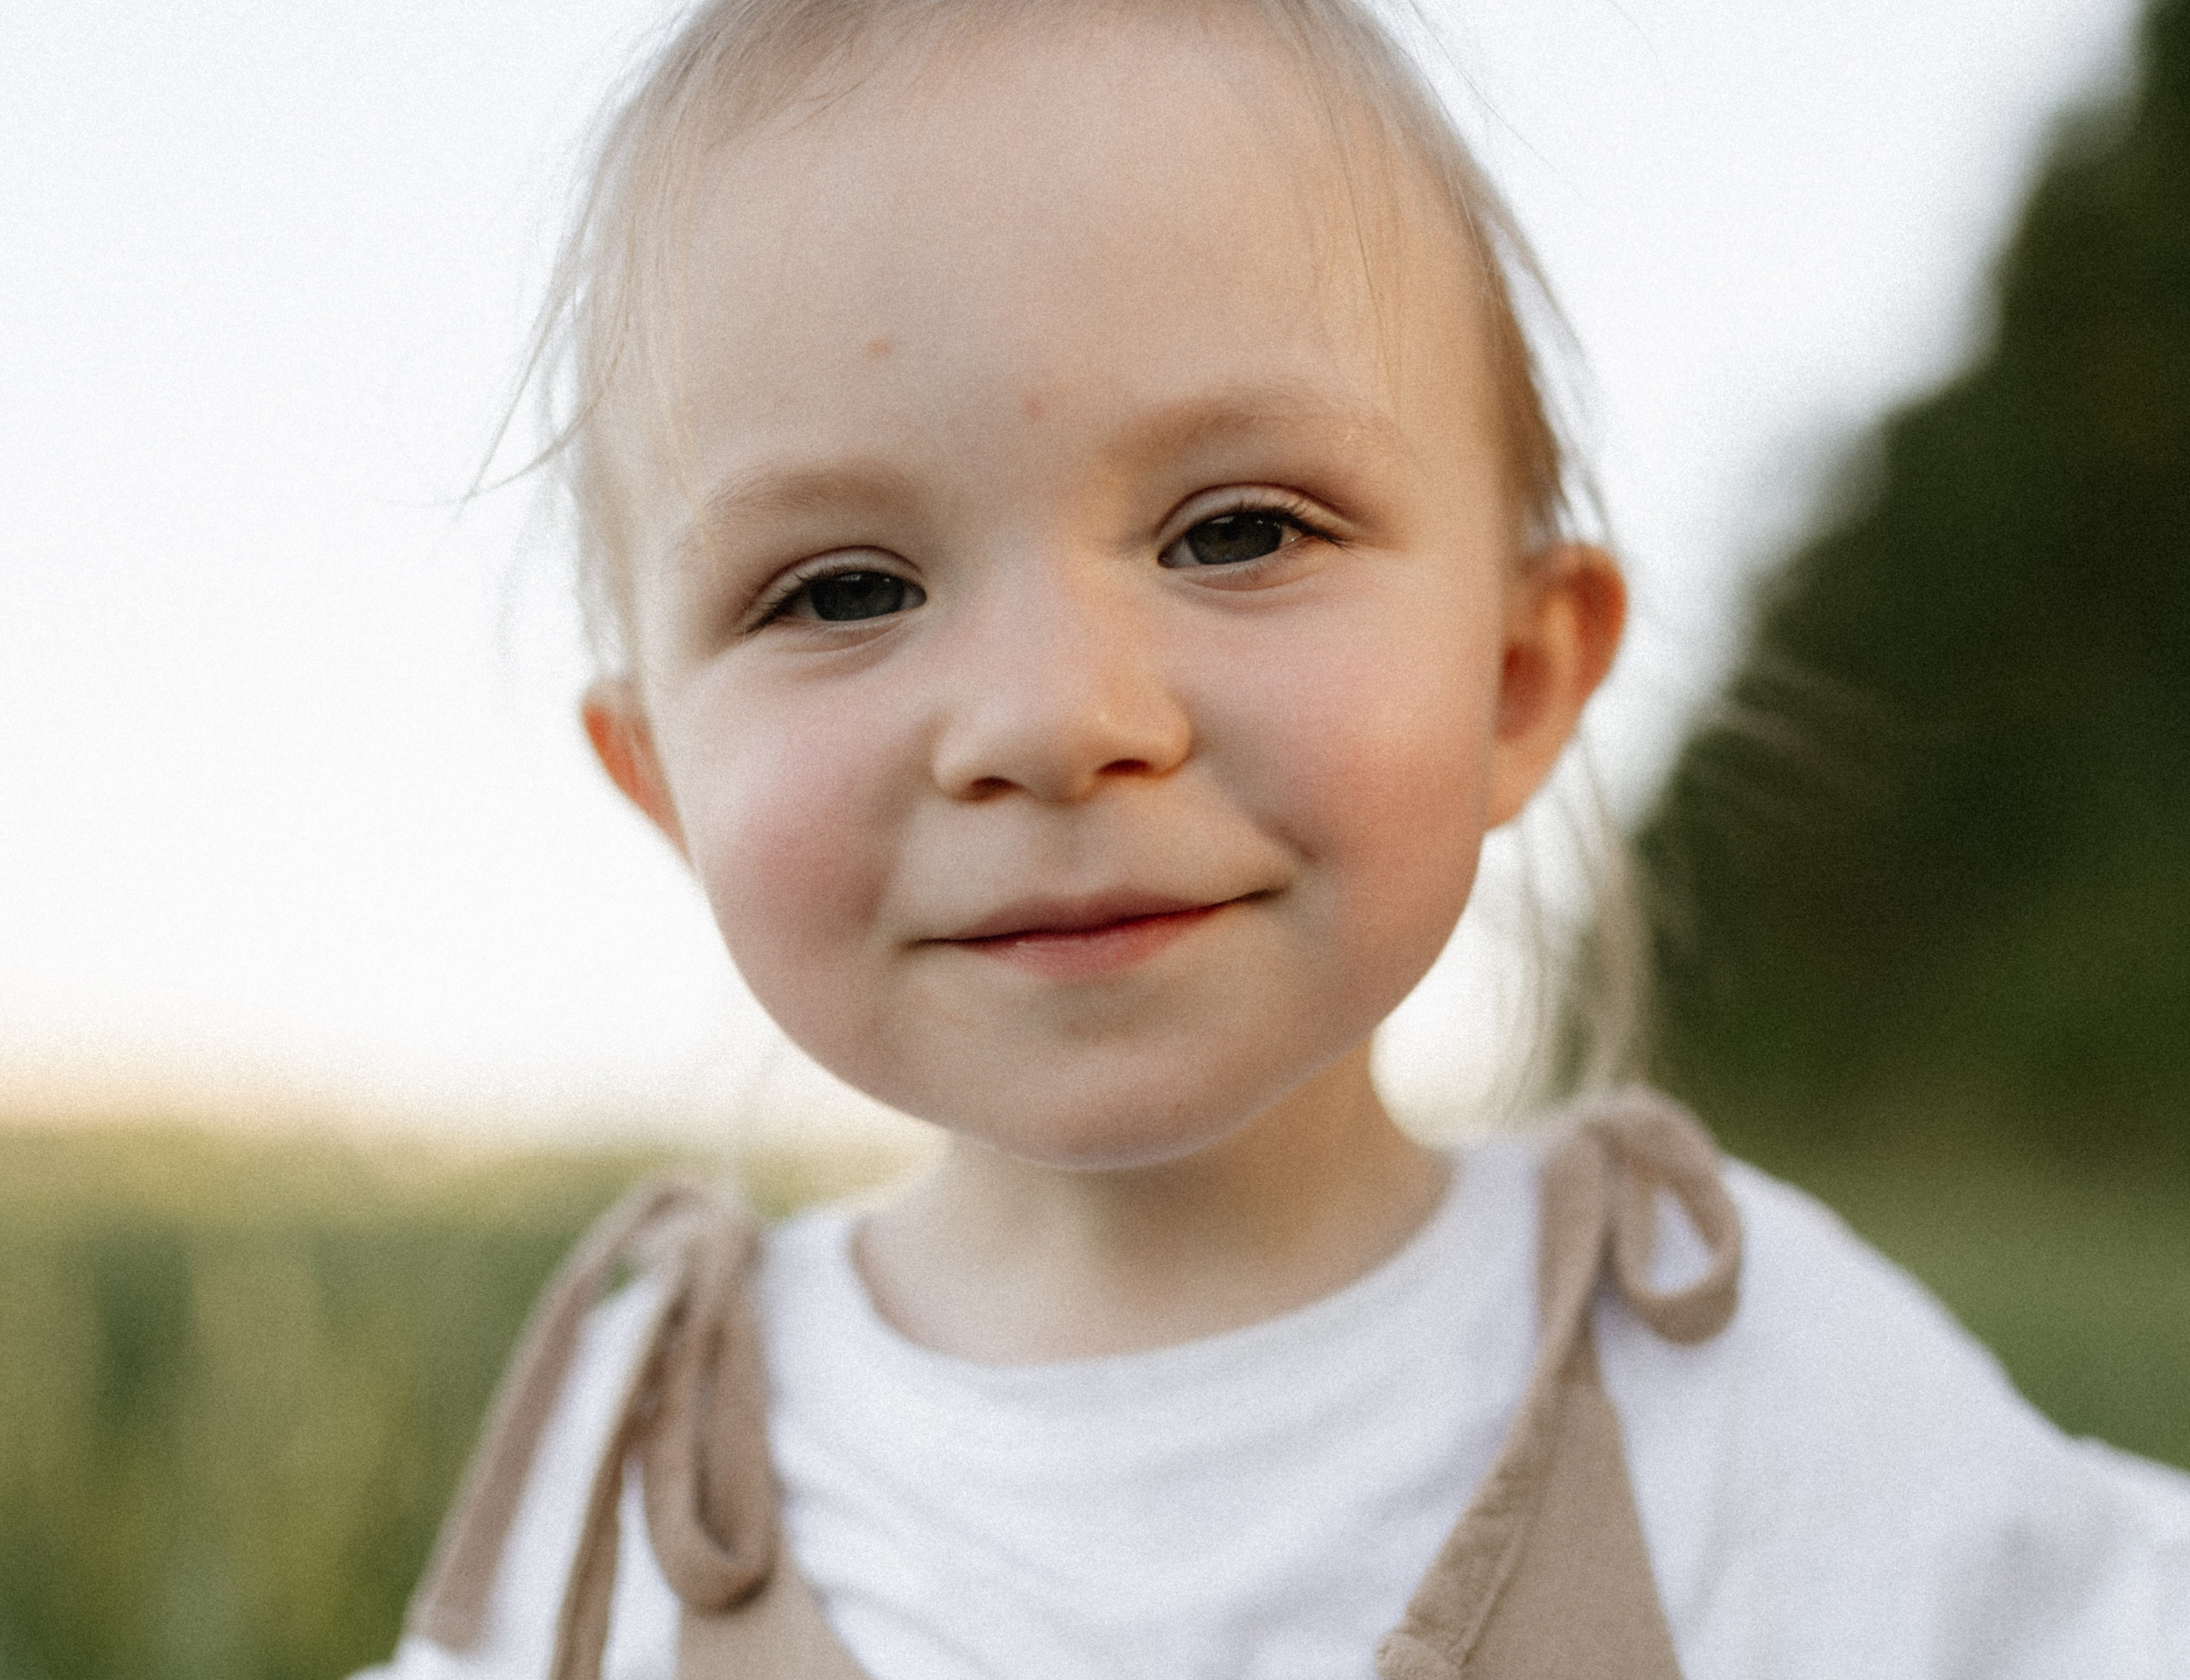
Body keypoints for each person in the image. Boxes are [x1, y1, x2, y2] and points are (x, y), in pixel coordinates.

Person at [356, 1, 2190, 1675]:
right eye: (840, 585)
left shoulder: (1720, 1372)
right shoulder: (636, 1464)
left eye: (1235, 533)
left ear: (1513, 678)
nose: (1054, 721)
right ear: (664, 781)